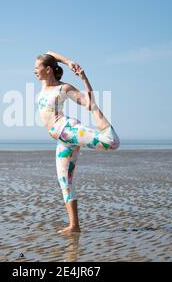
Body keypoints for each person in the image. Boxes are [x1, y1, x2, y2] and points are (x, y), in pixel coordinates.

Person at [34, 51, 120, 234]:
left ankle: (105, 128)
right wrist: (69, 61)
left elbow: (88, 103)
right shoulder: (43, 84)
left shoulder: (62, 89)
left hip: (69, 131)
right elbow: (49, 52)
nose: (34, 71)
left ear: (47, 70)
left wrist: (84, 78)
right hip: (62, 140)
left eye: (37, 67)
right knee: (65, 180)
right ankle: (74, 226)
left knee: (111, 142)